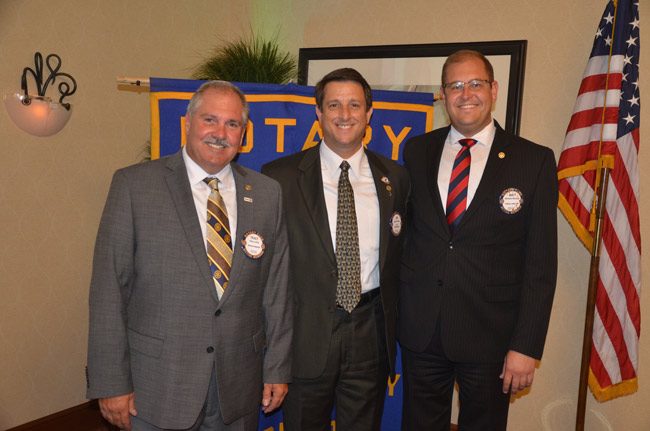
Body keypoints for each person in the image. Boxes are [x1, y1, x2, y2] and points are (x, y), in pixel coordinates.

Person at [86, 80, 292, 431]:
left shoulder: (266, 193)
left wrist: (277, 367)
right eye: (209, 120)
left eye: (232, 124)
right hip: (158, 386)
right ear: (187, 123)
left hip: (238, 387)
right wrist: (111, 382)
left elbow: (277, 291)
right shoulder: (134, 186)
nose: (220, 133)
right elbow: (108, 291)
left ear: (243, 134)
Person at [398, 50, 558, 430]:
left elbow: (541, 264)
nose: (465, 93)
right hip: (424, 332)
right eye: (455, 85)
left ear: (494, 89)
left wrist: (526, 346)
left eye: (475, 83)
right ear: (443, 93)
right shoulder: (418, 151)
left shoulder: (533, 160)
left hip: (491, 337)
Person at [262, 68, 409, 431]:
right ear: (319, 113)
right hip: (306, 335)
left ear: (369, 114)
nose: (345, 115)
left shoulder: (395, 178)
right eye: (334, 105)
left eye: (354, 105)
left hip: (369, 332)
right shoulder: (279, 177)